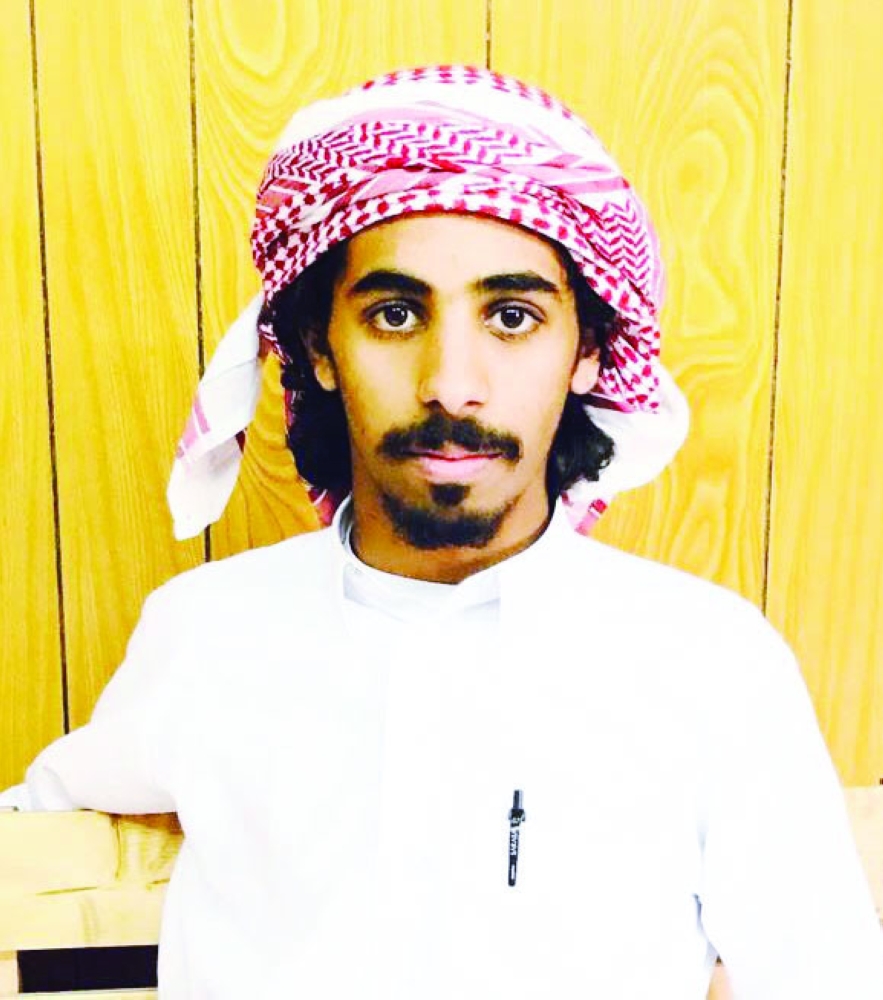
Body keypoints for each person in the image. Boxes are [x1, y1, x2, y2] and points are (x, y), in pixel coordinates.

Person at [2, 65, 881, 999]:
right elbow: (39, 837)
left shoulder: (707, 660)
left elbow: (820, 976)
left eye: (511, 317)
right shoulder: (211, 630)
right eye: (394, 315)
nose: (451, 385)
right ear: (318, 349)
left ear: (586, 351)